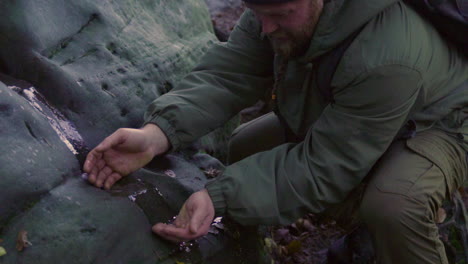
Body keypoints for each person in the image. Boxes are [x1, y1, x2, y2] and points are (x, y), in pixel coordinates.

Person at [83, 0, 468, 262]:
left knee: (393, 205)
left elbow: (324, 167)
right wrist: (155, 134)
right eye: (257, 11)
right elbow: (229, 74)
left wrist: (218, 195)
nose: (266, 27)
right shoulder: (276, 9)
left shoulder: (387, 53)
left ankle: (421, 224)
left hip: (443, 121)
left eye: (279, 14)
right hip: (364, 114)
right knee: (244, 149)